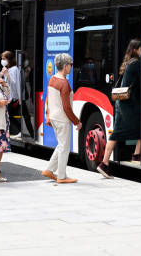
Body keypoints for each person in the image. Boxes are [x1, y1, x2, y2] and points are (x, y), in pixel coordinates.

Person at [97, 39, 141, 179]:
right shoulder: (137, 64)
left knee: (117, 132)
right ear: (136, 50)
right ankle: (136, 156)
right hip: (128, 104)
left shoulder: (128, 63)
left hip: (121, 102)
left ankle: (104, 164)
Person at [41, 53, 82, 184]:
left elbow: (48, 99)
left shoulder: (52, 79)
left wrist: (48, 115)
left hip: (53, 116)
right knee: (64, 148)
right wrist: (77, 121)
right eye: (71, 64)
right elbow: (67, 107)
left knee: (61, 145)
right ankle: (62, 176)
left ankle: (49, 170)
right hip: (62, 118)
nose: (71, 67)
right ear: (65, 66)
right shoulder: (64, 83)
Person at [0, 51, 23, 139]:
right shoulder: (7, 69)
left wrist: (7, 75)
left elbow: (14, 83)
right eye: (2, 59)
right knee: (8, 115)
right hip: (7, 96)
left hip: (13, 97)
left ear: (9, 59)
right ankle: (15, 131)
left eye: (4, 59)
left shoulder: (15, 69)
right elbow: (5, 84)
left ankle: (18, 131)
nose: (2, 61)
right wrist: (1, 76)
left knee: (8, 115)